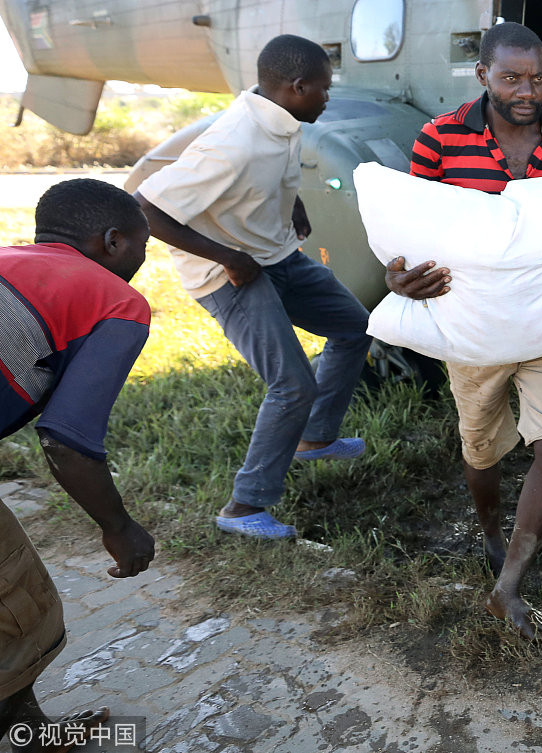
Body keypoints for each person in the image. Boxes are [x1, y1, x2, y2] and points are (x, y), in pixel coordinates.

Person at [386, 21, 542, 639]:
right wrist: (396, 277)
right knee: (481, 449)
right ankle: (493, 531)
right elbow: (409, 228)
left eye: (538, 77)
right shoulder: (439, 138)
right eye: (511, 78)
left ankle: (510, 583)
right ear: (482, 76)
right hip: (471, 325)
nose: (528, 91)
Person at [135, 34, 373, 540]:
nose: (328, 98)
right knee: (292, 384)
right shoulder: (231, 143)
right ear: (297, 85)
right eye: (324, 90)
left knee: (355, 327)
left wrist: (292, 204)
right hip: (230, 273)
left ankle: (314, 438)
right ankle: (243, 507)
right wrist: (228, 258)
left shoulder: (281, 116)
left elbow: (274, 173)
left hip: (276, 255)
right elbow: (147, 209)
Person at [1, 178, 156, 751]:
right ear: (114, 241)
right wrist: (120, 529)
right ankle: (29, 740)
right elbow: (66, 440)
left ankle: (31, 732)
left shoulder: (8, 260)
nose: (141, 261)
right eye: (143, 247)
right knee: (19, 609)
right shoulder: (115, 298)